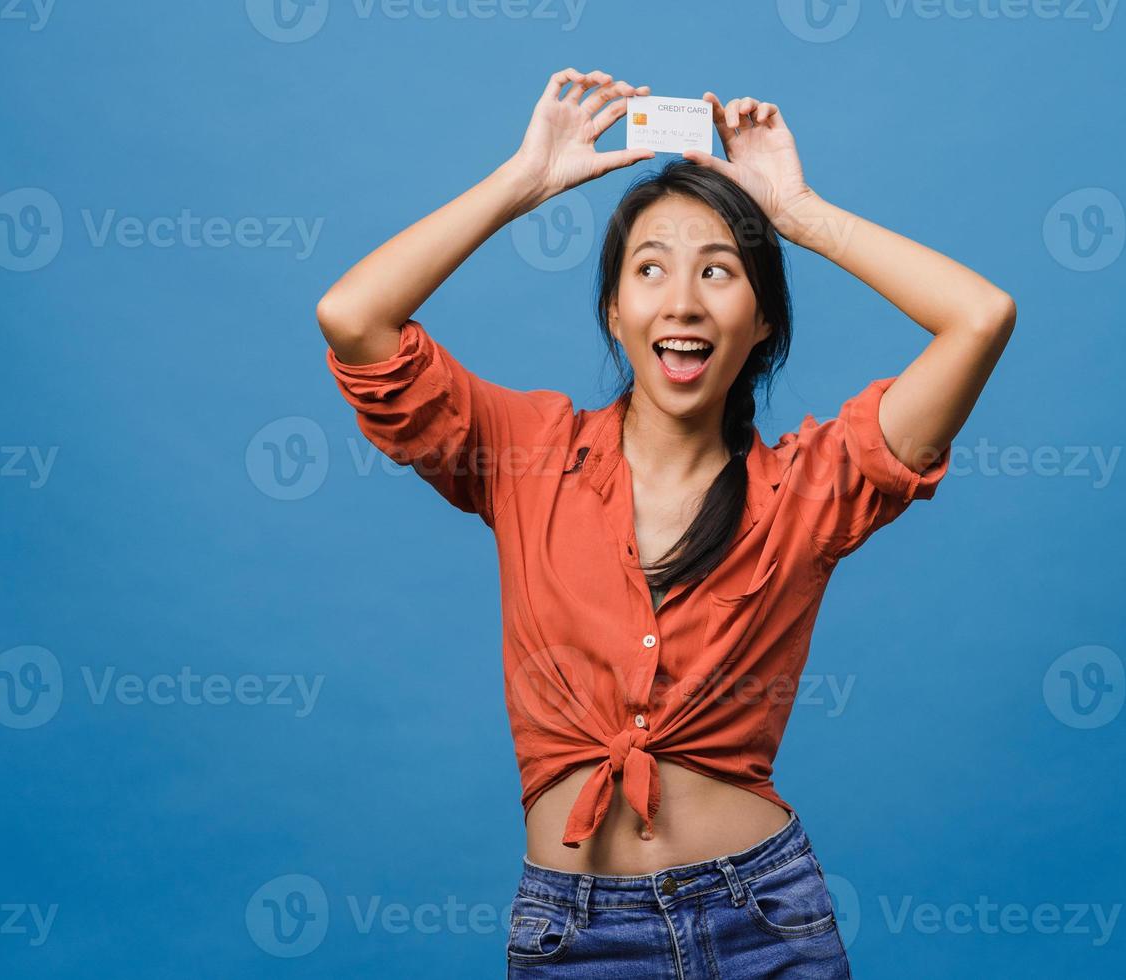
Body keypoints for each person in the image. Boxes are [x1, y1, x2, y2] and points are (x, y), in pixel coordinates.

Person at [317, 67, 1014, 978]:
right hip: (575, 938)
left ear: (761, 320)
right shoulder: (527, 454)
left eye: (718, 272)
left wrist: (794, 210)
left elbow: (978, 317)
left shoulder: (811, 487)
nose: (682, 301)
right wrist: (522, 184)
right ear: (616, 310)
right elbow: (354, 318)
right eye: (650, 270)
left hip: (766, 921)